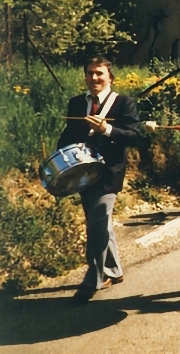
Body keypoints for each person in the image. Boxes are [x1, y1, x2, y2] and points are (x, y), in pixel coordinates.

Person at [57, 57, 140, 302]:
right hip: (83, 172)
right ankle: (114, 270)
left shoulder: (124, 103)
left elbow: (134, 137)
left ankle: (93, 277)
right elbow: (66, 136)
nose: (94, 78)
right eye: (90, 73)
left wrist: (107, 130)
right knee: (97, 221)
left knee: (99, 219)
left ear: (110, 78)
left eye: (99, 74)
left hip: (109, 173)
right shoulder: (76, 104)